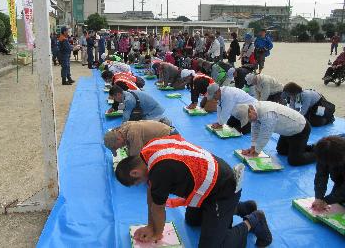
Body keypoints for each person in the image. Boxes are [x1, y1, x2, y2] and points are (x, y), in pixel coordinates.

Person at [115, 134, 273, 248]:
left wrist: (157, 233)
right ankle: (241, 207)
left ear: (134, 173)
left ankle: (254, 220)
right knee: (192, 220)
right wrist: (150, 226)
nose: (142, 184)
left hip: (223, 190)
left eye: (138, 183)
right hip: (210, 185)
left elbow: (157, 207)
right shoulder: (148, 151)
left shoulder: (159, 171)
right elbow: (152, 197)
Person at [236, 101, 316, 166]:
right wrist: (253, 147)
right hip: (287, 130)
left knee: (295, 160)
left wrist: (256, 152)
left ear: (251, 110)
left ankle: (319, 153)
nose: (250, 121)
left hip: (300, 129)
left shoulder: (268, 115)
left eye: (249, 118)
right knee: (281, 150)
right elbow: (255, 129)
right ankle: (304, 147)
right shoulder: (254, 112)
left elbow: (265, 135)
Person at [103, 120, 174, 156]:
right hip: (166, 131)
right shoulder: (123, 127)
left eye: (116, 147)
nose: (119, 148)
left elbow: (136, 156)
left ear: (118, 139)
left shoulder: (132, 133)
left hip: (171, 138)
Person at [312, 136, 345, 211]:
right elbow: (321, 175)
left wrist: (326, 200)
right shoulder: (324, 151)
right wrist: (319, 197)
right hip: (339, 174)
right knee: (338, 201)